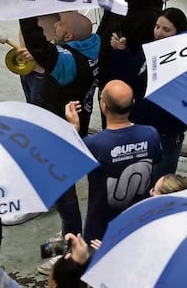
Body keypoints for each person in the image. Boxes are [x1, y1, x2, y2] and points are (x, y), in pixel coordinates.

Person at [18, 12, 99, 247]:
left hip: (60, 133)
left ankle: (70, 245)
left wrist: (23, 10)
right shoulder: (93, 45)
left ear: (68, 34)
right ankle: (68, 235)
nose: (55, 23)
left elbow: (41, 46)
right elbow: (50, 52)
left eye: (60, 23)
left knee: (65, 193)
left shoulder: (69, 64)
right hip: (75, 124)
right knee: (64, 189)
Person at [65, 80, 162, 243]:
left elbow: (66, 168)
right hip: (139, 223)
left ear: (103, 107)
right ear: (133, 103)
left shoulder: (94, 144)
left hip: (102, 231)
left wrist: (73, 128)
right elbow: (156, 164)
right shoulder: (151, 134)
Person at [130, 8, 187, 181]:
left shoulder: (184, 62)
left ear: (179, 32)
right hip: (141, 129)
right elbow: (132, 79)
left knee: (159, 183)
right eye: (157, 27)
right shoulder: (148, 51)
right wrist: (119, 53)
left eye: (166, 29)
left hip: (165, 136)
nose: (159, 33)